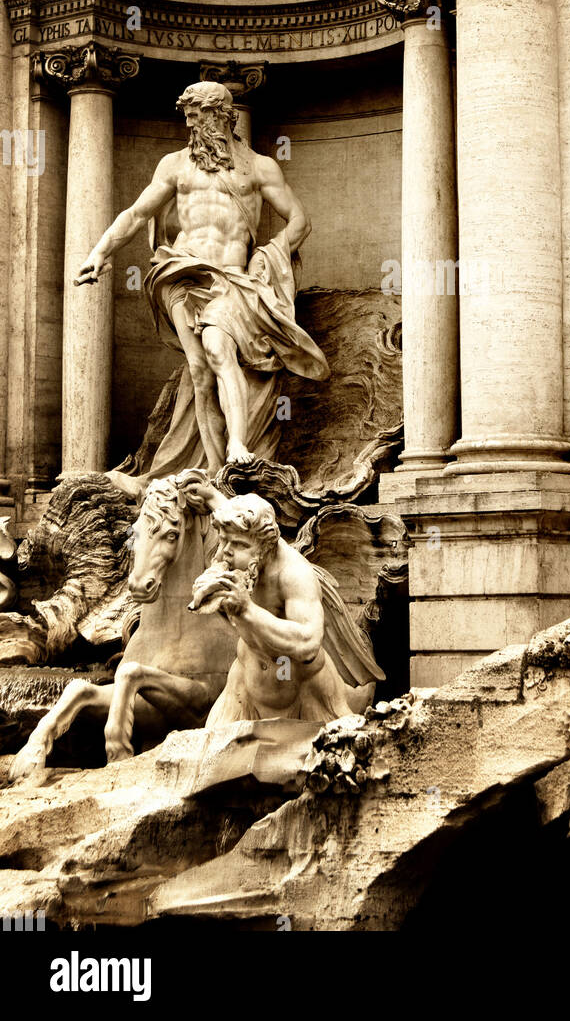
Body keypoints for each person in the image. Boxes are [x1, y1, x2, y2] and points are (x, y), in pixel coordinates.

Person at [76, 81, 328, 475]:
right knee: (198, 371)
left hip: (230, 278)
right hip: (181, 271)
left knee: (216, 347)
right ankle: (213, 468)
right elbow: (137, 213)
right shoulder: (174, 165)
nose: (191, 125)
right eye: (188, 117)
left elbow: (300, 220)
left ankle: (239, 443)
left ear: (221, 115)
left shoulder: (259, 167)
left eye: (197, 116)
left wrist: (268, 254)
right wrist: (100, 252)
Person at [186, 486, 384, 724]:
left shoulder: (294, 574)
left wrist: (246, 610)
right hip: (243, 687)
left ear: (265, 546)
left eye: (237, 545)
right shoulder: (237, 556)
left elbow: (308, 642)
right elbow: (232, 521)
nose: (224, 554)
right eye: (224, 541)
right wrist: (209, 495)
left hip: (306, 695)